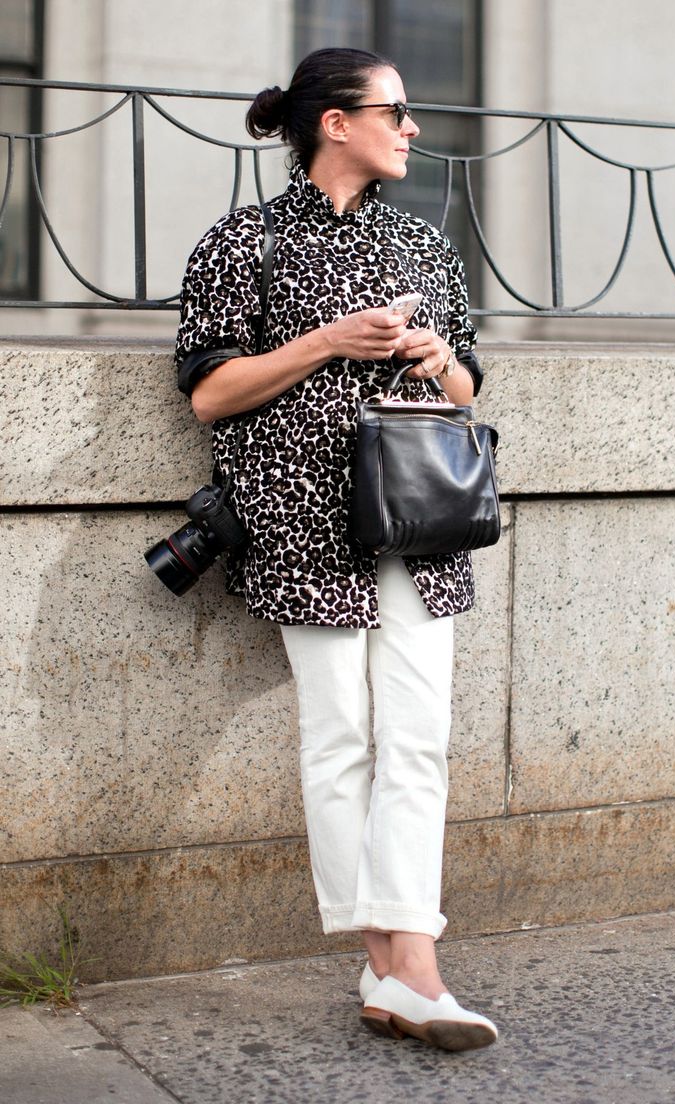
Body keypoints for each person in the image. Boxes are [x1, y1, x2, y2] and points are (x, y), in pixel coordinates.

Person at [175, 46, 497, 1052]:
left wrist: (434, 352)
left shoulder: (421, 242)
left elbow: (467, 391)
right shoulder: (244, 243)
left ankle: (413, 968)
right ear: (333, 123)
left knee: (417, 743)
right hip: (302, 524)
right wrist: (328, 342)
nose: (410, 128)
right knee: (341, 741)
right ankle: (393, 964)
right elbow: (209, 392)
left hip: (418, 517)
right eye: (393, 111)